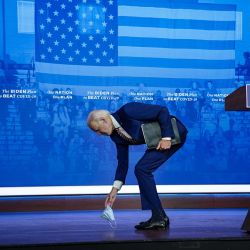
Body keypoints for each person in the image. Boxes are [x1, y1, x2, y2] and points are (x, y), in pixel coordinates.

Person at [87, 102, 188, 230]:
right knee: (141, 169)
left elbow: (162, 111)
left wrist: (166, 138)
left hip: (173, 133)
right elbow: (122, 163)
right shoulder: (115, 136)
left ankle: (159, 217)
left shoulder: (128, 111)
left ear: (103, 120)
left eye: (97, 130)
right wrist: (115, 189)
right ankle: (159, 216)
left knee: (142, 169)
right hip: (157, 142)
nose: (98, 134)